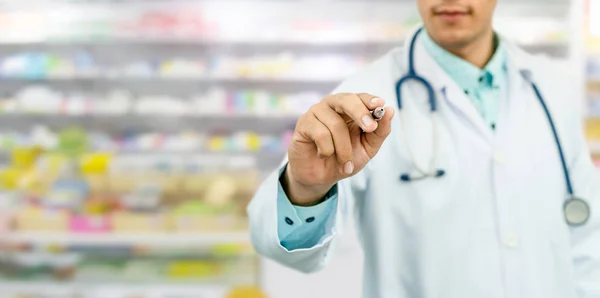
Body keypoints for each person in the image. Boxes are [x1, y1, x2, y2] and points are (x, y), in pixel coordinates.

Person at [247, 0, 600, 297]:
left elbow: (586, 236)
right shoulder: (364, 99)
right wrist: (306, 189)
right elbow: (291, 251)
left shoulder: (552, 89)